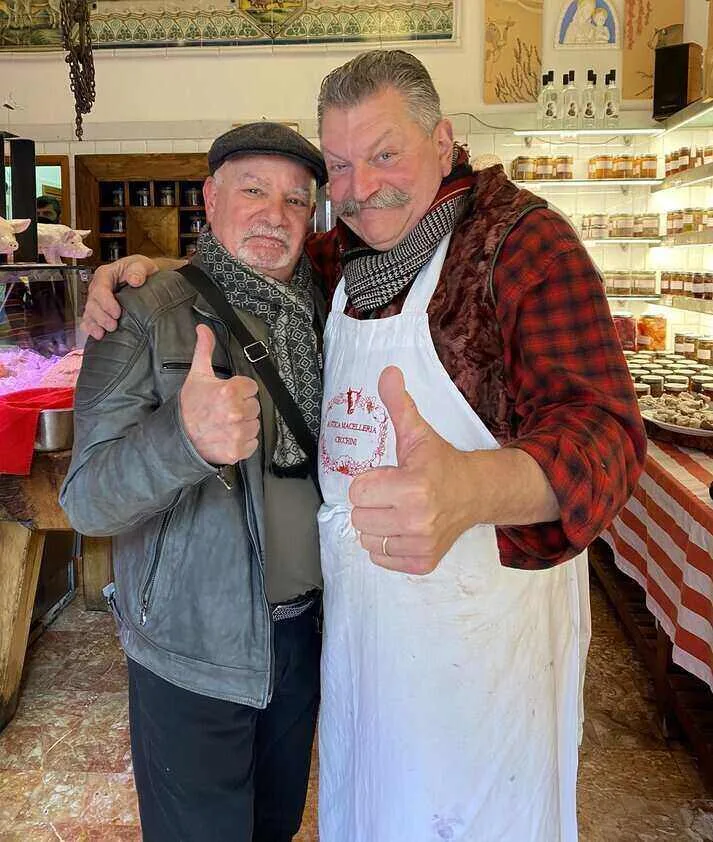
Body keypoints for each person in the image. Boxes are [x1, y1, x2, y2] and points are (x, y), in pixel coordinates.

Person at [81, 50, 646, 842]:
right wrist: (153, 274)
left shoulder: (521, 248)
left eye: (384, 154)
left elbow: (608, 435)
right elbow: (250, 259)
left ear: (443, 143)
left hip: (478, 648)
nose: (358, 187)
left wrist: (471, 492)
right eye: (339, 166)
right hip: (359, 643)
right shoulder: (340, 256)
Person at [60, 122, 328, 842]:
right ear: (210, 200)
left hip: (302, 639)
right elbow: (85, 499)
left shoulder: (327, 310)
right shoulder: (144, 314)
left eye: (296, 201)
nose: (275, 214)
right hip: (190, 650)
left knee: (273, 827)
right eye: (252, 191)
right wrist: (182, 443)